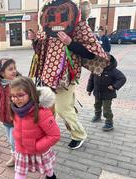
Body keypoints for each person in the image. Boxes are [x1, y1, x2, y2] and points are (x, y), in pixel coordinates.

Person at [28, 0, 110, 150]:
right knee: (51, 106)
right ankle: (52, 129)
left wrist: (70, 42)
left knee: (63, 108)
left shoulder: (77, 24)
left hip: (66, 76)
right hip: (47, 74)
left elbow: (91, 54)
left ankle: (79, 134)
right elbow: (39, 50)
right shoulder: (48, 23)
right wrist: (34, 39)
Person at [10, 76, 60, 179]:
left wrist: (37, 146)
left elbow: (55, 135)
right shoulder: (15, 109)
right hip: (21, 149)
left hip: (39, 149)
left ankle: (51, 177)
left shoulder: (42, 112)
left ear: (31, 93)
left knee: (47, 167)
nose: (15, 99)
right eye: (13, 96)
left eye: (20, 95)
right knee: (20, 172)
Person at [0, 58, 20, 167]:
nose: (14, 71)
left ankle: (16, 158)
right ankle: (16, 156)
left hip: (16, 119)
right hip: (4, 119)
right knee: (10, 140)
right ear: (2, 73)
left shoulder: (17, 84)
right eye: (10, 69)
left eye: (15, 68)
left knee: (13, 141)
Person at [87, 55, 126, 131]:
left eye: (105, 62)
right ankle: (97, 116)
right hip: (97, 92)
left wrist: (114, 86)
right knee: (97, 105)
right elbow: (91, 79)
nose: (102, 63)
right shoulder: (96, 69)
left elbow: (122, 78)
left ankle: (109, 123)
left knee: (106, 109)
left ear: (109, 63)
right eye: (101, 61)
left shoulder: (113, 71)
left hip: (108, 94)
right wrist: (89, 89)